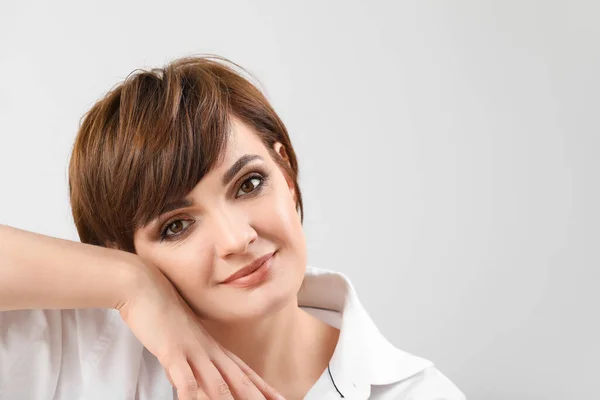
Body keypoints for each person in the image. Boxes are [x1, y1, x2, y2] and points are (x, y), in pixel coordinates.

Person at [0, 55, 466, 400]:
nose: (235, 238)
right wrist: (130, 284)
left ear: (285, 171)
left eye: (249, 183)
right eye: (176, 226)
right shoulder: (69, 350)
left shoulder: (419, 393)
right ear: (123, 251)